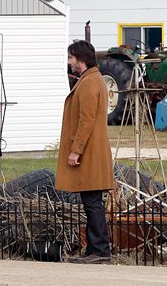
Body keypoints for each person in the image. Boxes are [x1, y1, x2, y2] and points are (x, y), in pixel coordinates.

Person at [55, 40, 114, 264]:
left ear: (80, 59)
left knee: (92, 202)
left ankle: (99, 250)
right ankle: (94, 250)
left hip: (88, 153)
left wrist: (75, 151)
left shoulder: (89, 83)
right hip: (91, 152)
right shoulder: (90, 79)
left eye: (71, 58)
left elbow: (86, 121)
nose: (69, 62)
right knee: (91, 201)